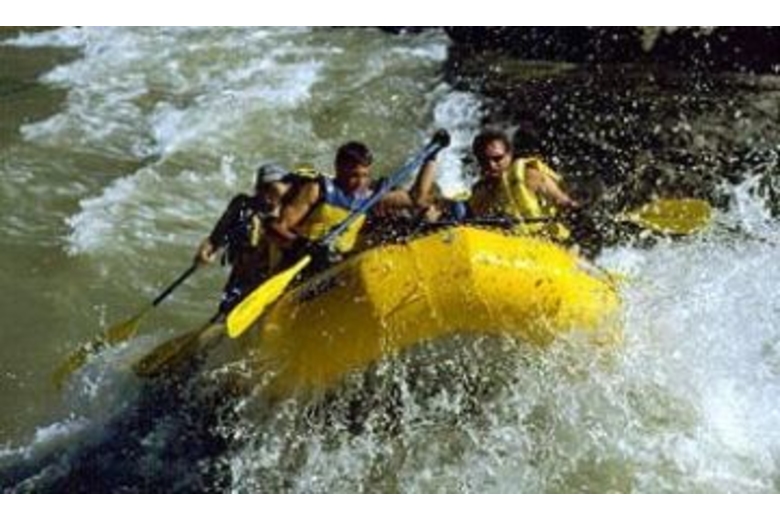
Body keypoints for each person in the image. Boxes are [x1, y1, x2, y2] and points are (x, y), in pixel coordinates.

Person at [268, 140, 435, 269]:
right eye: (354, 175)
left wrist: (431, 158)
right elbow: (276, 228)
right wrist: (300, 245)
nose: (360, 182)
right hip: (300, 263)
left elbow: (417, 199)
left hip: (338, 267)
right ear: (338, 169)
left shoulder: (371, 197)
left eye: (365, 175)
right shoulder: (317, 190)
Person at [195, 162, 315, 313]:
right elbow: (215, 239)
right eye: (262, 189)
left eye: (272, 189)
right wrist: (205, 251)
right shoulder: (243, 207)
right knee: (229, 311)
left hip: (276, 280)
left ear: (287, 188)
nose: (266, 196)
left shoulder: (296, 210)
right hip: (242, 279)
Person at [467, 128, 580, 241]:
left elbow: (562, 201)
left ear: (509, 155)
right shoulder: (480, 192)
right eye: (484, 160)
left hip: (546, 242)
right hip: (508, 245)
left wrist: (573, 210)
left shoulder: (529, 175)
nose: (491, 165)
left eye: (497, 159)